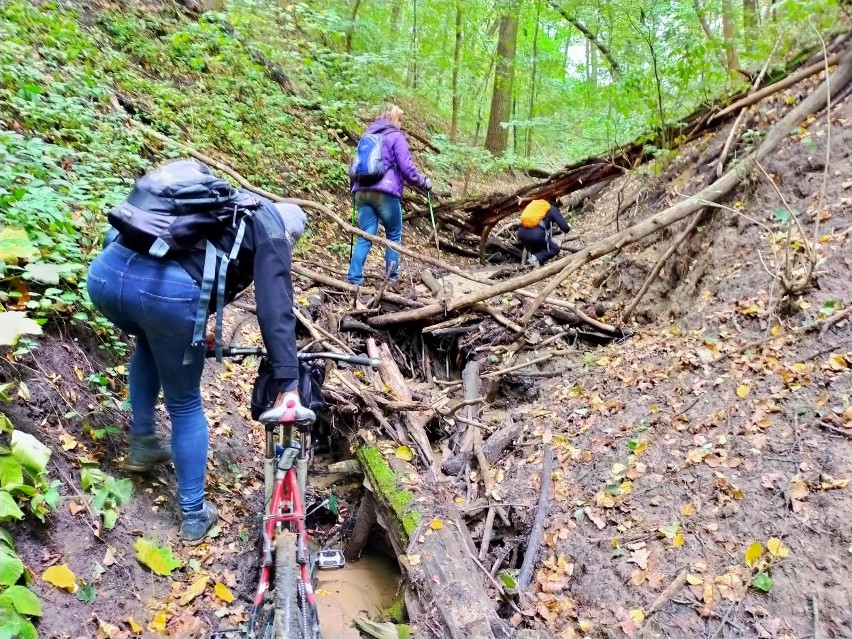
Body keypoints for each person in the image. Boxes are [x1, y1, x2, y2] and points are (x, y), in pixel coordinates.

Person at [87, 160, 312, 542]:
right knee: (185, 402)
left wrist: (187, 324)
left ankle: (142, 443)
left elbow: (189, 259)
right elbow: (276, 309)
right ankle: (193, 514)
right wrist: (288, 380)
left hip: (105, 277)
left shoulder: (221, 209)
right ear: (291, 232)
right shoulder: (272, 228)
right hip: (161, 295)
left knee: (148, 339)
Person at [347, 104, 432, 285]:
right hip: (385, 192)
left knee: (366, 234)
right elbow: (407, 169)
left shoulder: (367, 137)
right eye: (401, 122)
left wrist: (353, 189)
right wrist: (423, 183)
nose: (401, 126)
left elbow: (354, 165)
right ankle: (391, 279)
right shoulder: (395, 136)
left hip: (361, 191)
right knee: (393, 234)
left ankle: (354, 279)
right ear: (396, 120)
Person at [517, 199, 571, 268]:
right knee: (554, 249)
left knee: (540, 245)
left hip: (521, 233)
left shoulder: (535, 205)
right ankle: (535, 259)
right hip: (536, 235)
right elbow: (565, 228)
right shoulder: (552, 208)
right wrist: (568, 226)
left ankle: (535, 262)